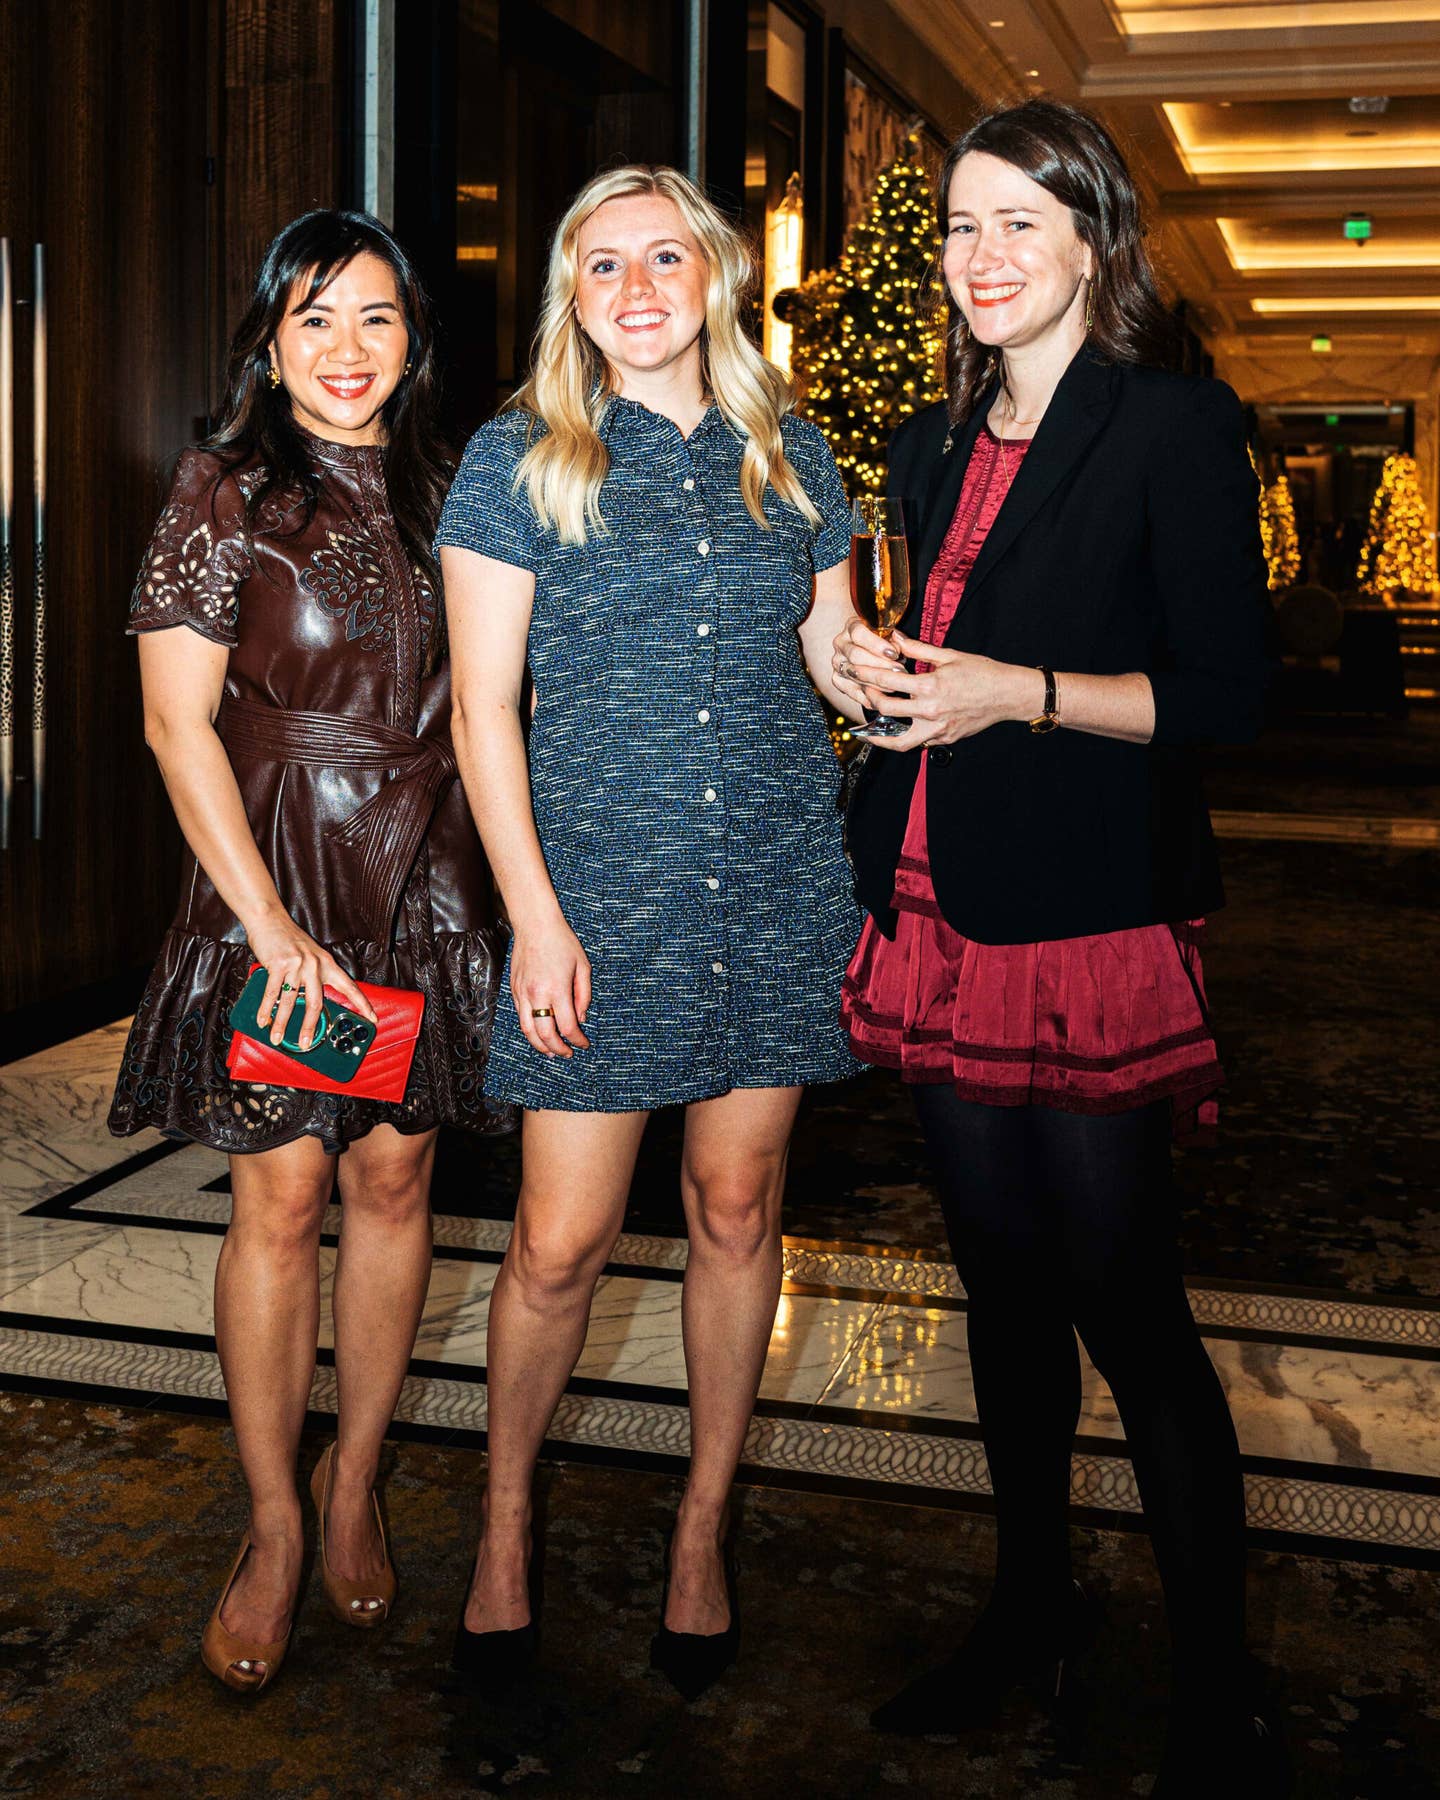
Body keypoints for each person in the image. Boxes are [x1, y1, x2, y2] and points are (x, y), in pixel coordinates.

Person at [832, 102, 1284, 1797]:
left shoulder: (1169, 426)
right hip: (939, 908)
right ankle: (1028, 1612)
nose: (980, 258)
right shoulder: (932, 451)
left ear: (1093, 240)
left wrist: (1003, 694)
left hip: (1083, 923)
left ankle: (1216, 1679)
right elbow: (935, 657)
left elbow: (1226, 698)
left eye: (1020, 222)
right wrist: (885, 691)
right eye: (959, 225)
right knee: (1002, 1300)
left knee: (1129, 1307)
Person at [438, 164, 861, 1698]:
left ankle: (702, 1530)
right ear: (573, 294)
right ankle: (503, 1531)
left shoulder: (795, 454)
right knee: (557, 1248)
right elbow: (485, 713)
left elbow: (837, 664)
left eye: (660, 255)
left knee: (740, 1215)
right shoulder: (515, 459)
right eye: (599, 264)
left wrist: (970, 669)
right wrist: (533, 920)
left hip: (775, 889)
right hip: (595, 905)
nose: (632, 286)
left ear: (713, 277)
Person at [109, 210, 511, 1692]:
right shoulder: (225, 490)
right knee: (279, 1194)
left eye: (378, 320)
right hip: (274, 872)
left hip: (424, 879)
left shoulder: (462, 485)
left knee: (397, 1175)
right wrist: (267, 927)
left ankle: (358, 1483)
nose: (347, 352)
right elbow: (174, 723)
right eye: (316, 321)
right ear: (270, 346)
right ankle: (275, 1524)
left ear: (415, 343)